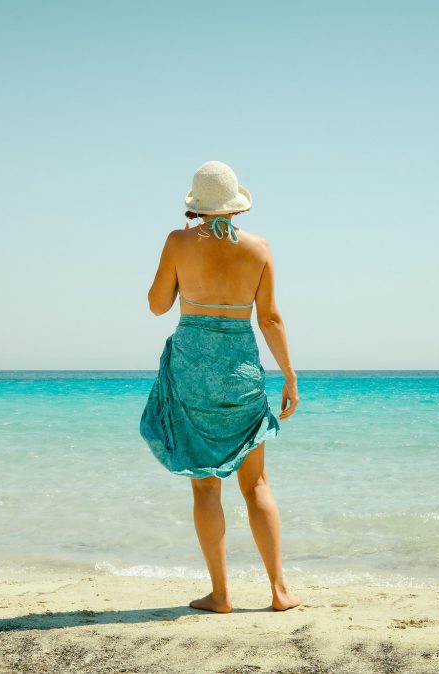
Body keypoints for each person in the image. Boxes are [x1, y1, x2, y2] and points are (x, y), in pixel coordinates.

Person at [140, 160, 300, 613]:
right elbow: (269, 318)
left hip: (193, 368)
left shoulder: (177, 241)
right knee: (257, 485)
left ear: (196, 206)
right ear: (237, 206)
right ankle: (280, 591)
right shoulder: (260, 248)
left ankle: (221, 595)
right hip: (241, 369)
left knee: (206, 487)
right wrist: (288, 376)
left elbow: (157, 306)